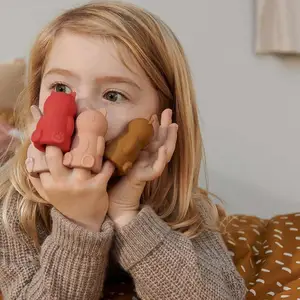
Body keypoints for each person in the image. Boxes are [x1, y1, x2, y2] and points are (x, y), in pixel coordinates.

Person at [0, 1, 246, 299]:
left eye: (113, 95)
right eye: (61, 88)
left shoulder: (180, 205)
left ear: (163, 116)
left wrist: (126, 213)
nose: (83, 113)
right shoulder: (14, 205)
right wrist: (80, 222)